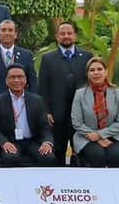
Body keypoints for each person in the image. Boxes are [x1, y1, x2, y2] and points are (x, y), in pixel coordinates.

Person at [38, 22, 93, 165]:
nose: (66, 36)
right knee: (58, 152)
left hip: (80, 115)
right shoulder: (48, 59)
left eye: (69, 33)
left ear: (75, 36)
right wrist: (46, 111)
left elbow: (91, 85)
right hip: (57, 116)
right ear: (57, 36)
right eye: (62, 33)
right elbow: (43, 87)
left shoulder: (86, 57)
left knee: (80, 153)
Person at [0, 64, 56, 167]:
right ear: (6, 81)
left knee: (48, 157)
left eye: (20, 77)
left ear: (25, 79)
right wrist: (4, 143)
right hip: (10, 141)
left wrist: (47, 142)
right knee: (10, 157)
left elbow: (45, 127)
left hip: (32, 141)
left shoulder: (37, 101)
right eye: (12, 77)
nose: (16, 80)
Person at [71, 57, 119, 168]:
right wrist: (94, 136)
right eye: (92, 70)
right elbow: (77, 122)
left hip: (114, 136)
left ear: (106, 72)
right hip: (86, 136)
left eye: (99, 69)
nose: (96, 73)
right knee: (97, 155)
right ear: (88, 74)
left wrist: (100, 135)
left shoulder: (118, 94)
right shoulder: (80, 94)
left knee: (117, 155)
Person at [0, 19, 37, 103]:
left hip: (22, 104)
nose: (7, 33)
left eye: (10, 30)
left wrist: (33, 103)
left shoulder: (26, 55)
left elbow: (33, 83)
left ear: (15, 34)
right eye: (3, 30)